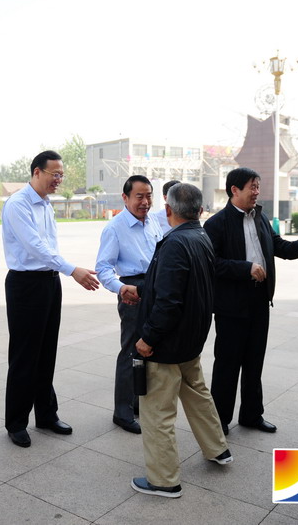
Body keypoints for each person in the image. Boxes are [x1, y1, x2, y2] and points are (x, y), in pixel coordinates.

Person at [128, 183, 232, 499]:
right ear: (199, 210)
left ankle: (164, 480)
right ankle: (218, 448)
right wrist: (142, 290)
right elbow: (182, 285)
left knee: (157, 412)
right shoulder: (200, 237)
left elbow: (169, 301)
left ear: (168, 210)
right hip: (191, 339)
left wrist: (148, 338)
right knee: (198, 395)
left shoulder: (175, 242)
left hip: (167, 345)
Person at [203, 167, 298, 435]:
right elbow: (211, 263)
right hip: (231, 306)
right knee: (227, 365)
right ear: (234, 190)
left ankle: (251, 415)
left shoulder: (260, 217)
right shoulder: (216, 224)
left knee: (254, 361)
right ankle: (219, 420)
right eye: (252, 187)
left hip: (259, 300)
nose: (257, 192)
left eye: (258, 186)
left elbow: (277, 246)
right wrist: (244, 268)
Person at [1, 150, 100, 448]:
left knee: (46, 352)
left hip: (48, 282)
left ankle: (46, 414)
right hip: (26, 285)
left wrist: (61, 272)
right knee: (25, 355)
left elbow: (49, 247)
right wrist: (72, 270)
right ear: (36, 172)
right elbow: (35, 247)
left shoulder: (45, 204)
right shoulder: (18, 204)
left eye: (61, 175)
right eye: (54, 174)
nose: (59, 180)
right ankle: (16, 422)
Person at [95, 175, 162, 434]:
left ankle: (137, 401)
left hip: (154, 287)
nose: (145, 202)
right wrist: (121, 288)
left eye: (148, 196)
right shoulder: (115, 228)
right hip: (132, 290)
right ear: (125, 198)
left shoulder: (153, 222)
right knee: (130, 351)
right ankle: (121, 412)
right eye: (139, 197)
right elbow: (103, 268)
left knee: (149, 348)